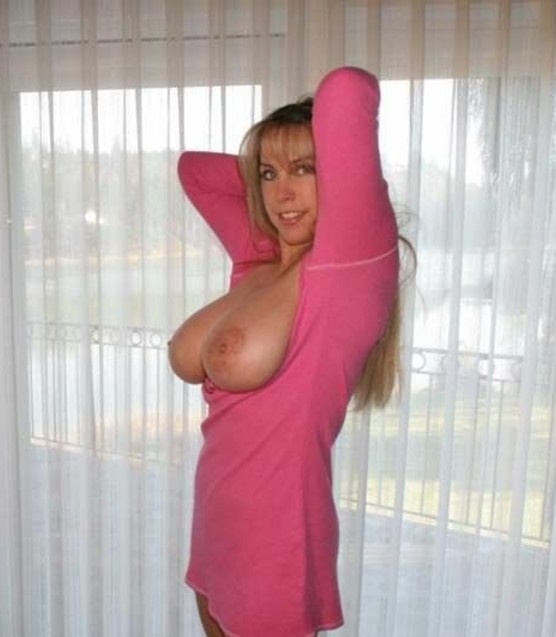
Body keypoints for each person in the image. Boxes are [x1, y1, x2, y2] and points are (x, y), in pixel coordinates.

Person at [169, 66, 407, 637]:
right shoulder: (261, 260)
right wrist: (273, 161)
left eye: (304, 169)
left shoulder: (348, 266)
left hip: (276, 542)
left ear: (340, 175)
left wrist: (323, 165)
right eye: (269, 175)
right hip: (218, 524)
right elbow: (193, 170)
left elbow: (347, 90)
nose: (281, 194)